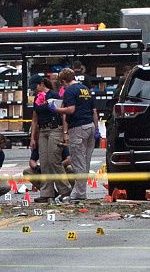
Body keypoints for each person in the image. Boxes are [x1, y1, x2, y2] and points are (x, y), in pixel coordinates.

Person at [55, 68, 100, 203]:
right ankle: (80, 192)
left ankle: (79, 193)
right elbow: (94, 111)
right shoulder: (85, 89)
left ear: (63, 81)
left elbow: (71, 109)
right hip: (90, 127)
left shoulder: (70, 90)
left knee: (78, 162)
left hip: (78, 128)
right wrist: (97, 129)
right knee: (85, 163)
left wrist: (56, 109)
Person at [28, 74, 72, 204]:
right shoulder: (36, 98)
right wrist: (32, 138)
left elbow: (62, 115)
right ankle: (47, 193)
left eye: (35, 86)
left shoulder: (54, 95)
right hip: (43, 130)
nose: (35, 89)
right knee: (45, 161)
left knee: (54, 160)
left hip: (55, 129)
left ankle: (65, 191)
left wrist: (65, 133)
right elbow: (34, 119)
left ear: (42, 84)